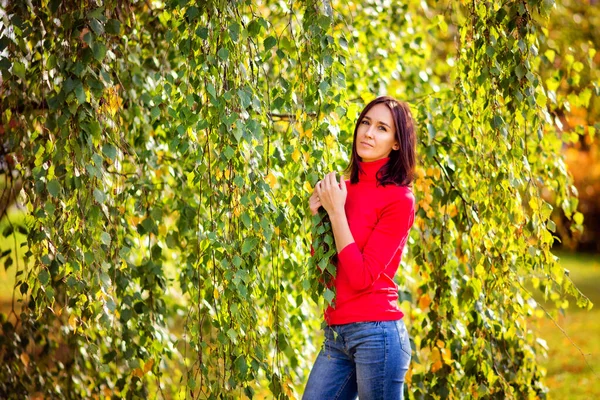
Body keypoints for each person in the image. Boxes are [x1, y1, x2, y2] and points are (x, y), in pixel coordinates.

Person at [303, 95, 417, 400]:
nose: (368, 132)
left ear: (396, 143)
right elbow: (325, 270)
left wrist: (336, 212)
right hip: (336, 332)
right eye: (365, 123)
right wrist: (318, 219)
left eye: (382, 128)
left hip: (377, 334)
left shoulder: (399, 199)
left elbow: (361, 276)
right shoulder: (342, 188)